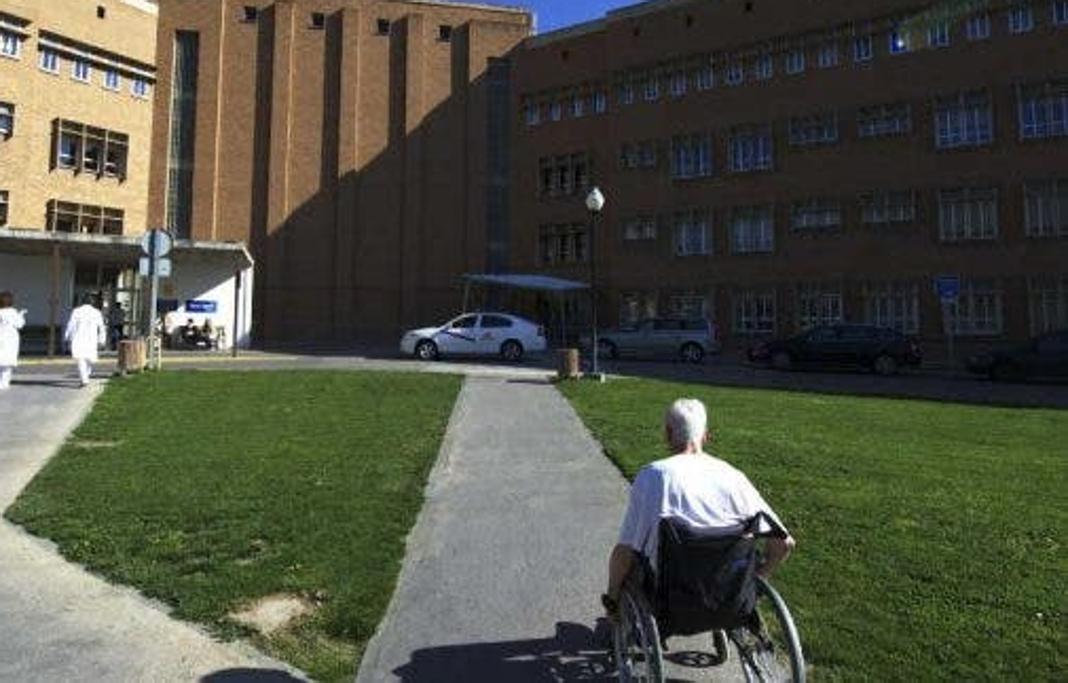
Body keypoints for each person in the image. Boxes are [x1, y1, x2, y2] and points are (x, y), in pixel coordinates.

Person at [604, 398, 795, 618]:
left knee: (630, 553)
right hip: (729, 592)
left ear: (667, 433)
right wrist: (757, 579)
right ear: (705, 435)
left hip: (672, 597)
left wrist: (613, 596)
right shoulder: (733, 477)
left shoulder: (653, 476)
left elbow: (626, 550)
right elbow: (784, 543)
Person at [65, 294, 106, 388]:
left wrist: (67, 336)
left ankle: (85, 378)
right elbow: (102, 328)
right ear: (93, 302)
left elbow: (71, 325)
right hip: (91, 339)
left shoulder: (76, 311)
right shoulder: (97, 312)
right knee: (88, 358)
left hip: (78, 338)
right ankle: (85, 378)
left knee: (81, 359)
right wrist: (102, 339)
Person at [0, 291, 27, 391]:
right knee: (7, 361)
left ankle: (1, 381)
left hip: (1, 336)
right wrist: (21, 315)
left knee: (1, 358)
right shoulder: (12, 312)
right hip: (10, 338)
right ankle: (4, 382)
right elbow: (20, 324)